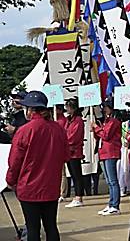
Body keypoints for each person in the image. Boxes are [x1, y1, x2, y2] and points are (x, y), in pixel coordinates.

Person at [6, 91, 70, 241]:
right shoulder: (58, 128)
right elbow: (66, 156)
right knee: (51, 226)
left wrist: (10, 180)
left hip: (29, 186)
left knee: (33, 228)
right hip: (51, 185)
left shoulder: (23, 131)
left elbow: (14, 161)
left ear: (30, 109)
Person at [91, 97, 122, 216]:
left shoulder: (114, 121)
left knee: (113, 180)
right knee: (109, 180)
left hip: (111, 152)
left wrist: (96, 128)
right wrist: (95, 130)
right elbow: (100, 136)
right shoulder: (107, 121)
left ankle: (115, 205)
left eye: (106, 107)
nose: (104, 109)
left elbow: (106, 135)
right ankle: (111, 203)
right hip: (104, 152)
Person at [64, 98, 85, 208]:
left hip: (74, 150)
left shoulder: (78, 120)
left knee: (77, 175)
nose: (67, 108)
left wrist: (65, 141)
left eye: (69, 106)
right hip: (68, 150)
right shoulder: (68, 120)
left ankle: (79, 197)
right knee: (72, 174)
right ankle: (77, 196)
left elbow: (74, 137)